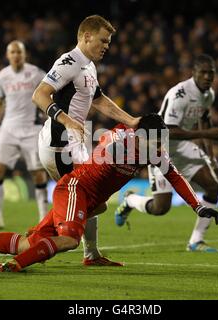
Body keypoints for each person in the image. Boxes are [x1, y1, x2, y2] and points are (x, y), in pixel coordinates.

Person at [0, 114, 218, 272]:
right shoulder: (122, 139)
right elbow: (104, 142)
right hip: (75, 189)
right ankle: (14, 266)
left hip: (85, 199)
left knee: (30, 244)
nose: (160, 147)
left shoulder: (154, 151)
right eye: (156, 141)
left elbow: (175, 177)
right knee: (68, 240)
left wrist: (198, 207)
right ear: (141, 136)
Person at [31, 15, 140, 266]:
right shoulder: (69, 61)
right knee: (91, 198)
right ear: (86, 36)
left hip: (74, 144)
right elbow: (39, 95)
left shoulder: (89, 66)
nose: (106, 46)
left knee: (90, 195)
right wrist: (67, 121)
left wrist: (131, 120)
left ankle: (89, 253)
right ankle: (38, 236)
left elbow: (100, 99)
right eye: (103, 40)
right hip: (59, 144)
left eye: (109, 42)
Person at [114, 54, 218, 252]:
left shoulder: (209, 94)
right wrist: (205, 134)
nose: (208, 77)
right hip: (160, 147)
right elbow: (167, 130)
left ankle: (196, 241)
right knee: (161, 208)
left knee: (213, 186)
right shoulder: (180, 94)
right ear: (194, 73)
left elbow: (205, 120)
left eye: (212, 73)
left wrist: (210, 154)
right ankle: (130, 200)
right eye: (204, 72)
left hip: (184, 147)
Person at [0, 41, 49, 231]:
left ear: (24, 54)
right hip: (8, 129)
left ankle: (43, 220)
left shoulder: (37, 74)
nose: (16, 55)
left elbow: (49, 94)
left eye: (19, 52)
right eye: (12, 52)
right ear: (8, 55)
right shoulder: (1, 77)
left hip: (32, 129)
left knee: (38, 175)